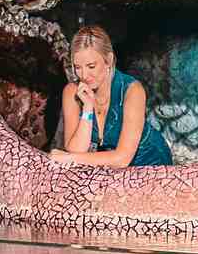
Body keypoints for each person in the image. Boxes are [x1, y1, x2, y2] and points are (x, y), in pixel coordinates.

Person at [50, 26, 172, 169]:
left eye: (91, 66)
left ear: (108, 60)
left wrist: (69, 158)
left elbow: (122, 159)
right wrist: (88, 109)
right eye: (78, 67)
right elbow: (76, 149)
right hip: (113, 167)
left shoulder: (132, 90)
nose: (83, 75)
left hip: (152, 162)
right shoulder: (71, 92)